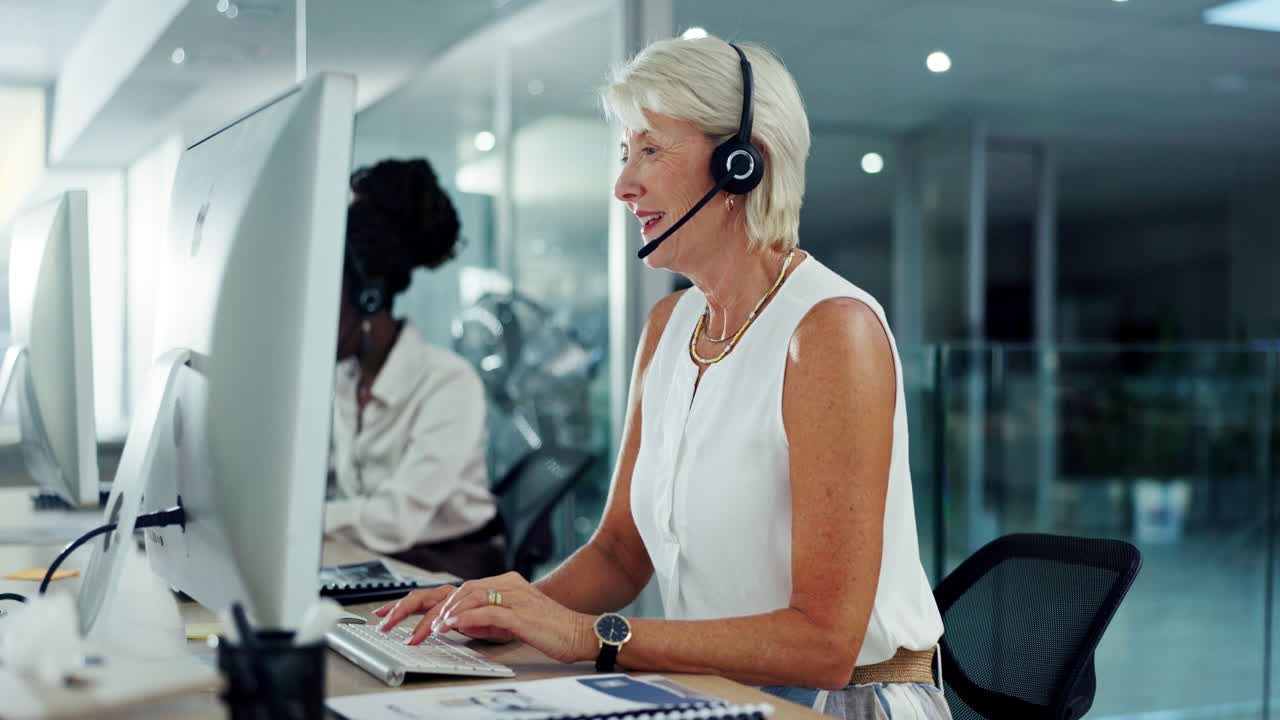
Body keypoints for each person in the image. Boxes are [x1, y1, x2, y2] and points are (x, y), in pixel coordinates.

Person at [375, 38, 950, 719]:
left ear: (741, 164)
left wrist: (589, 636)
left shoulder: (830, 330)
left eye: (650, 150)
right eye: (625, 153)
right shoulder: (670, 326)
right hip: (717, 693)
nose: (623, 185)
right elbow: (620, 553)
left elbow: (825, 644)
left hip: (842, 702)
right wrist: (499, 609)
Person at [325, 157, 504, 580]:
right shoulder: (345, 379)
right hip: (375, 560)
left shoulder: (448, 382)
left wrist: (302, 517)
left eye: (329, 299)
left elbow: (395, 520)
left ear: (369, 299)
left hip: (453, 571)